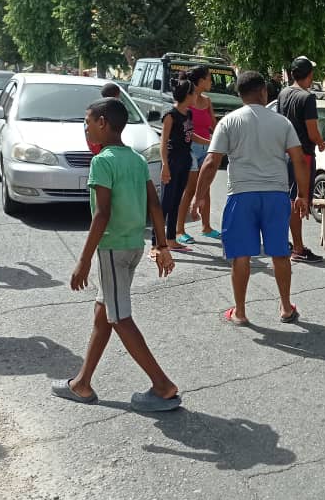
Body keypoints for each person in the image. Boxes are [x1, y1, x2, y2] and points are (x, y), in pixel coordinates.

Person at [52, 98, 180, 410]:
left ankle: (162, 385)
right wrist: (161, 245)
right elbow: (154, 204)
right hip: (133, 246)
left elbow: (102, 214)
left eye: (88, 121)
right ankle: (82, 383)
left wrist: (83, 260)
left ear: (104, 123)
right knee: (104, 313)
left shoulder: (102, 162)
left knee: (120, 318)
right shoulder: (136, 160)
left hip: (112, 248)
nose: (85, 128)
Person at [194, 71, 310, 325]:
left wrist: (199, 196)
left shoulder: (229, 122)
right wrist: (302, 194)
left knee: (241, 255)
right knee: (280, 253)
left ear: (240, 95)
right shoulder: (282, 123)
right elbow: (299, 159)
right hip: (276, 195)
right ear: (263, 92)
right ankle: (286, 308)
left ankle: (241, 311)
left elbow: (212, 161)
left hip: (241, 196)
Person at [277, 57, 325, 263]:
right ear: (309, 75)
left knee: (287, 200)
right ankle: (298, 248)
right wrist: (321, 143)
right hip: (302, 154)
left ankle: (283, 241)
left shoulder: (283, 93)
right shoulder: (307, 98)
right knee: (299, 201)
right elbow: (312, 131)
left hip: (284, 153)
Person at [175, 66, 220, 244]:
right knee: (191, 188)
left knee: (205, 186)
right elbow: (186, 130)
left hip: (206, 147)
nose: (211, 82)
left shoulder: (207, 101)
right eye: (209, 78)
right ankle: (179, 230)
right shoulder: (187, 101)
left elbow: (214, 126)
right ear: (200, 81)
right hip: (190, 148)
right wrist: (208, 142)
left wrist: (219, 142)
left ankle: (206, 227)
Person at [155, 79, 198, 253]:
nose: (196, 96)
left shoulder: (189, 114)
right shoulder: (170, 115)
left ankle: (171, 239)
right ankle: (156, 242)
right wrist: (165, 165)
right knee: (165, 203)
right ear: (188, 95)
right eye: (194, 93)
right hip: (172, 161)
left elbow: (190, 136)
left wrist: (211, 142)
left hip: (185, 160)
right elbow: (163, 142)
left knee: (176, 202)